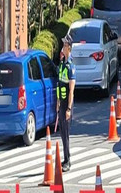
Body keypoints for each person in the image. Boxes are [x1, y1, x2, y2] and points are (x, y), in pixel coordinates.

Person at [57, 35, 76, 172]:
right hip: (61, 102)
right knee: (62, 133)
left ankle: (68, 161)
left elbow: (71, 90)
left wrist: (69, 108)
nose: (62, 47)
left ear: (69, 48)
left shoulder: (70, 66)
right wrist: (58, 102)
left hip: (67, 104)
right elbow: (59, 84)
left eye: (64, 45)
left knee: (66, 134)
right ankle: (65, 158)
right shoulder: (62, 63)